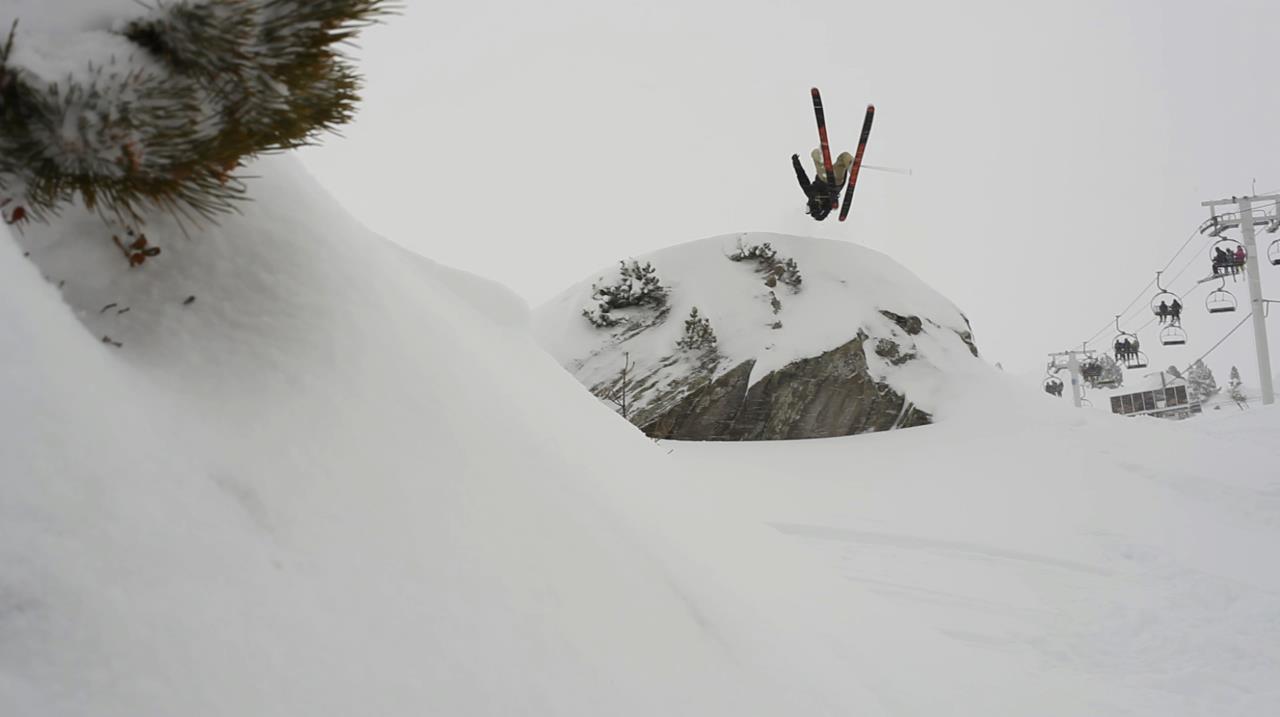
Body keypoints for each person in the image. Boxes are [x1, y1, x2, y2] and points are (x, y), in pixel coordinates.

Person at [792, 149, 854, 221]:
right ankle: (850, 165)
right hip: (827, 178)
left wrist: (795, 162)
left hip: (834, 180)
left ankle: (849, 164)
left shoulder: (812, 194)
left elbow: (801, 176)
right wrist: (795, 162)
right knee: (816, 154)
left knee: (842, 158)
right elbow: (801, 176)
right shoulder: (821, 200)